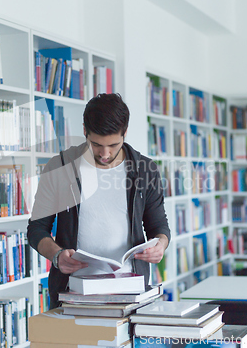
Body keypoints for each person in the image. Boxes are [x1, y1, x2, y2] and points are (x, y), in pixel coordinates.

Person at [27, 93, 171, 309]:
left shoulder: (145, 170)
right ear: (85, 130)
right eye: (96, 144)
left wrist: (160, 245)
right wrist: (57, 256)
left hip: (130, 291)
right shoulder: (60, 167)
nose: (105, 154)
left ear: (125, 133)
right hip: (72, 292)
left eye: (113, 145)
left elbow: (158, 226)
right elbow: (36, 229)